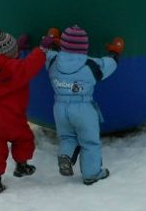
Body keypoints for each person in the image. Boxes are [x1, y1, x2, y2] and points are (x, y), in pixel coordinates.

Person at [42, 25, 124, 185]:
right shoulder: (90, 64)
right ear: (85, 47)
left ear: (63, 44)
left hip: (59, 108)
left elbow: (49, 53)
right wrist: (115, 52)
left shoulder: (53, 60)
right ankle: (92, 173)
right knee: (89, 141)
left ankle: (65, 156)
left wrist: (52, 39)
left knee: (67, 137)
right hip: (83, 109)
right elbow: (109, 65)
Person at [0, 27, 46, 194]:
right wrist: (42, 49)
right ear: (11, 54)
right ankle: (21, 165)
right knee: (23, 139)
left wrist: (17, 49)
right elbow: (30, 64)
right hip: (13, 117)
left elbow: (2, 63)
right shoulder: (17, 69)